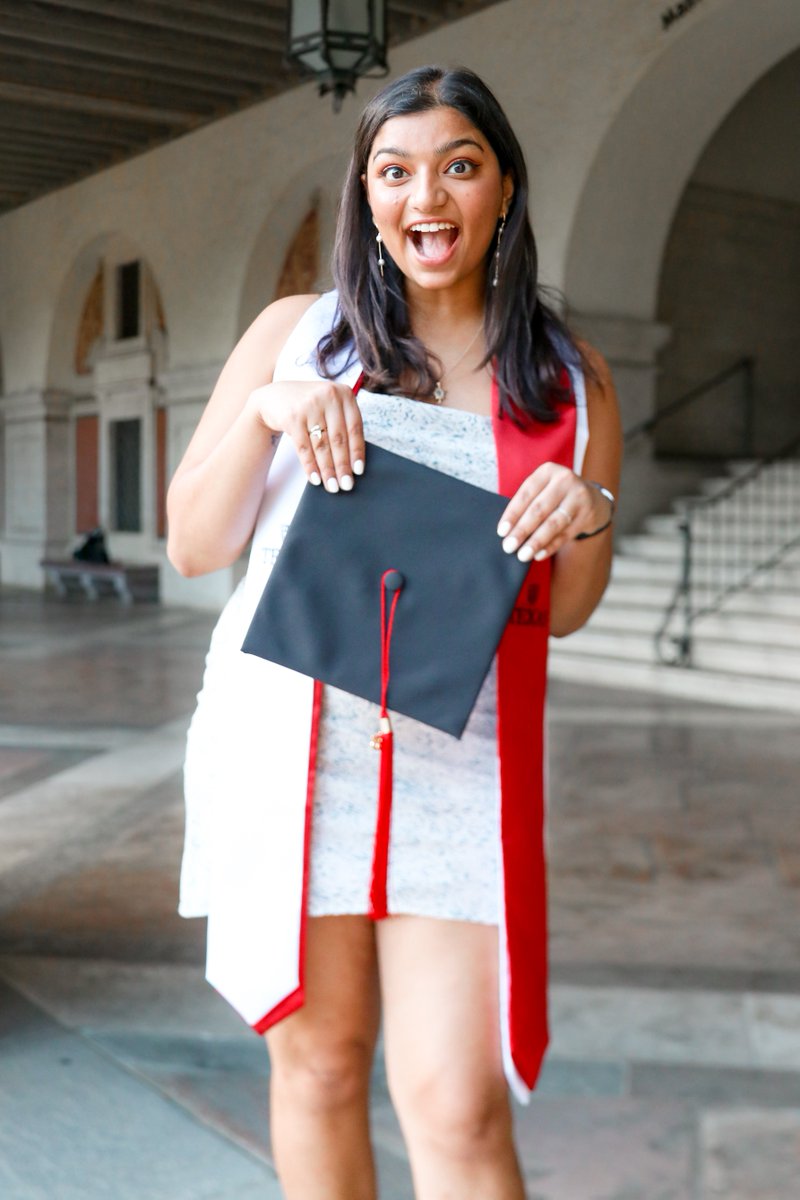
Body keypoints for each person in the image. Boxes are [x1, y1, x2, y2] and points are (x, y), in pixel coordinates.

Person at [167, 64, 622, 1200]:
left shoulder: (567, 383)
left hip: (458, 763)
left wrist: (582, 517)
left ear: (503, 188)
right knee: (318, 1068)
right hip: (290, 749)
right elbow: (192, 543)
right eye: (394, 170)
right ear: (365, 197)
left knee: (457, 1107)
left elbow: (563, 610)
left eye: (458, 166)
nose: (427, 195)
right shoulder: (296, 336)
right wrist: (271, 413)